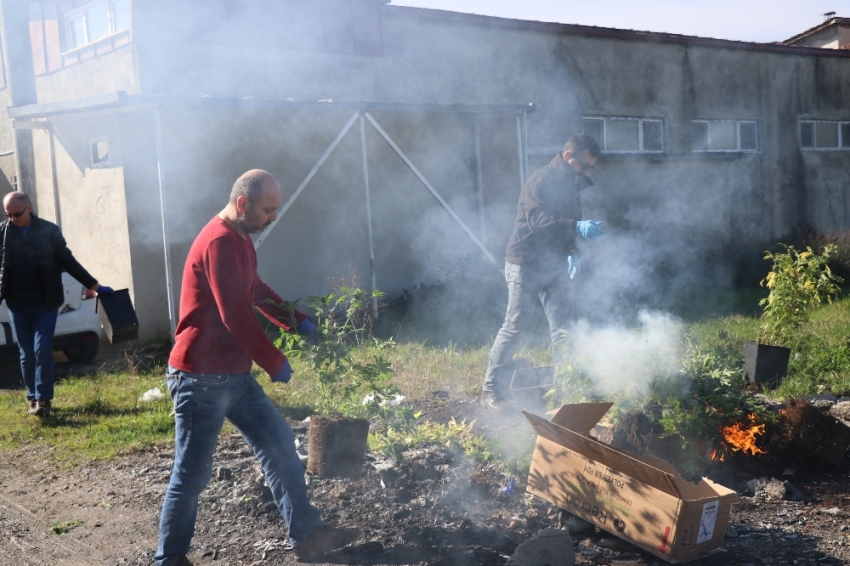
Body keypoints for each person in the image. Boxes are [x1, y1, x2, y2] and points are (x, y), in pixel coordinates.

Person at [155, 170, 361, 566]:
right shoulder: (218, 242)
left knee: (280, 444)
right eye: (269, 209)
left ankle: (308, 536)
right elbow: (235, 315)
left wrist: (294, 319)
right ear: (243, 204)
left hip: (231, 374)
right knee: (192, 473)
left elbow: (255, 290)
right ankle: (169, 559)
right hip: (200, 376)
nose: (274, 217)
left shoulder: (241, 239)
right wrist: (274, 361)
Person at [481, 134, 606, 412]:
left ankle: (566, 388)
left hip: (555, 262)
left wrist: (572, 249)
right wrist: (576, 226)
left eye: (590, 168)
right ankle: (490, 390)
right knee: (514, 327)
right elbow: (538, 219)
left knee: (564, 328)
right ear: (567, 157)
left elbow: (567, 223)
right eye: (584, 166)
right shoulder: (541, 181)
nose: (586, 172)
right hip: (525, 262)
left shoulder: (572, 182)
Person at [0, 191, 114, 418]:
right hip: (17, 304)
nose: (13, 219)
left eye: (17, 214)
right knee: (26, 353)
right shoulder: (2, 233)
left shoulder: (48, 232)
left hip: (46, 302)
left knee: (42, 349)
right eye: (8, 215)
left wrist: (96, 286)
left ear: (30, 208)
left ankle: (43, 400)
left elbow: (69, 262)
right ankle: (32, 397)